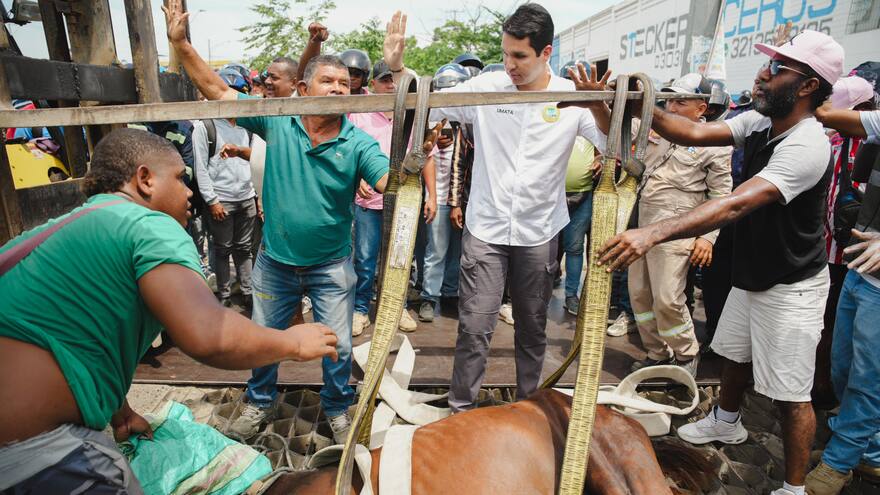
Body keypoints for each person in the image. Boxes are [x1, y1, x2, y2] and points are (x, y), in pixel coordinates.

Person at [573, 30, 842, 495]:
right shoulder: (761, 123)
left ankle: (794, 487)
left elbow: (734, 204)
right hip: (754, 274)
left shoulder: (807, 144)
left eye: (777, 69)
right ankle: (726, 421)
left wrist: (653, 231)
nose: (761, 74)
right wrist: (634, 101)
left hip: (791, 285)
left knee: (791, 396)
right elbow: (691, 131)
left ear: (807, 87)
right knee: (732, 355)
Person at [0, 128, 338, 493]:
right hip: (32, 451)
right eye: (180, 178)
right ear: (144, 179)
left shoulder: (58, 231)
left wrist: (121, 411)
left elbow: (76, 333)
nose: (190, 192)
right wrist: (291, 343)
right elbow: (209, 334)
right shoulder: (147, 224)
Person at [164, 0, 392, 443]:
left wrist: (399, 173)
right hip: (276, 262)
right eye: (328, 80)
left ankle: (338, 407)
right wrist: (181, 45)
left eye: (345, 84)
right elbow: (217, 90)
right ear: (304, 90)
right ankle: (261, 400)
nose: (338, 89)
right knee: (263, 338)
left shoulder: (357, 141)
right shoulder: (279, 119)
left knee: (339, 345)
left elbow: (387, 178)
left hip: (330, 265)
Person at [383, 4, 607, 412]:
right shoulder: (486, 89)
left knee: (532, 328)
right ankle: (460, 410)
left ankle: (530, 410)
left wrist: (599, 106)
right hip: (485, 229)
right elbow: (427, 101)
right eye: (505, 54)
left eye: (520, 56)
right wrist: (399, 71)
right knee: (473, 327)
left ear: (546, 53)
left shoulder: (573, 99)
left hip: (539, 231)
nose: (510, 65)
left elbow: (613, 146)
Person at [626, 73, 733, 377]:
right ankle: (657, 353)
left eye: (680, 101)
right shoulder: (653, 127)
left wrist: (708, 239)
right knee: (640, 294)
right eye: (669, 99)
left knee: (667, 297)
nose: (671, 106)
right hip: (642, 220)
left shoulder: (715, 141)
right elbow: (615, 125)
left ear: (701, 109)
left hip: (678, 225)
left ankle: (686, 355)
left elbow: (721, 196)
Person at [805, 105, 880, 494]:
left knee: (868, 380)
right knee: (844, 368)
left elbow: (833, 116)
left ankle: (839, 462)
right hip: (860, 268)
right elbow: (832, 117)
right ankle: (871, 453)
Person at [349, 59, 434, 335]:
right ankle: (361, 310)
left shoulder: (411, 115)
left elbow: (427, 157)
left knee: (400, 260)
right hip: (369, 203)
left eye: (393, 80)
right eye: (384, 80)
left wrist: (432, 196)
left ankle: (396, 309)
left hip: (402, 202)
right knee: (364, 259)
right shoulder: (359, 114)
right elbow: (348, 153)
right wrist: (355, 178)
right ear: (372, 84)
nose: (390, 85)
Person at [814, 75, 875, 408]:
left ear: (864, 111)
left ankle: (841, 397)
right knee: (827, 325)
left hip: (859, 256)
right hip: (827, 251)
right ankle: (823, 387)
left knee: (849, 334)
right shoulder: (829, 142)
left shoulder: (872, 145)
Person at [192, 69, 258, 308]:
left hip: (246, 197)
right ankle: (224, 295)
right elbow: (200, 167)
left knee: (244, 249)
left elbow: (255, 160)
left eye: (238, 94)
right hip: (222, 200)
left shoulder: (248, 126)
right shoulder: (205, 127)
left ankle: (248, 292)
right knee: (222, 250)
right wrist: (212, 201)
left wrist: (255, 196)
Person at [418, 63, 471, 322]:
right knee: (436, 250)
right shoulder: (429, 115)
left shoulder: (470, 118)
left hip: (462, 198)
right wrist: (433, 197)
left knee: (458, 251)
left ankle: (451, 293)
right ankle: (430, 296)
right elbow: (424, 156)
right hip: (437, 195)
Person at [557, 61, 600, 317]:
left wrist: (601, 158)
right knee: (546, 249)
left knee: (574, 248)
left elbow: (607, 145)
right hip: (550, 196)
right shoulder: (551, 112)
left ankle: (571, 295)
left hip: (582, 195)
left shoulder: (593, 115)